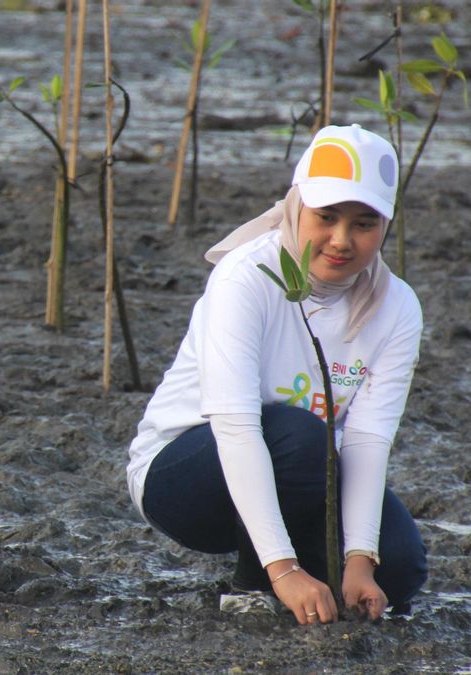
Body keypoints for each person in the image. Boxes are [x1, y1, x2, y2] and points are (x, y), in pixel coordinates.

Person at [126, 124, 427, 625]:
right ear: (295, 207)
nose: (341, 240)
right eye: (326, 217)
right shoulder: (247, 277)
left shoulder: (398, 306)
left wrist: (359, 560)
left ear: (386, 225)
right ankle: (252, 580)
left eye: (364, 223)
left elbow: (367, 440)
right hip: (186, 475)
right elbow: (237, 428)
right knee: (299, 435)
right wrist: (283, 571)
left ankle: (305, 568)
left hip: (303, 475)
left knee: (398, 569)